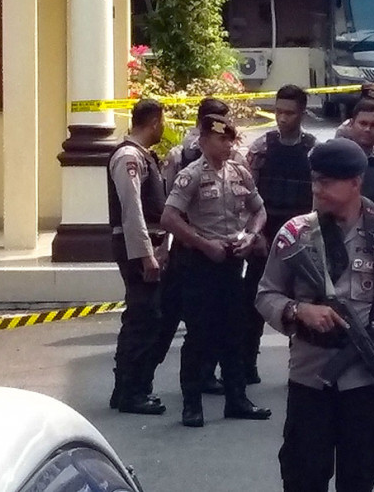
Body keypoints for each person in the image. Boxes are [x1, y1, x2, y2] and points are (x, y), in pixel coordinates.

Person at [256, 137, 374, 492]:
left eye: (327, 182)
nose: (316, 189)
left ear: (355, 182)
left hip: (365, 380)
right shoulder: (296, 234)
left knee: (360, 476)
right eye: (314, 180)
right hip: (309, 375)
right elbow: (265, 294)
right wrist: (298, 310)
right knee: (303, 476)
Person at [160, 114, 272, 427]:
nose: (227, 145)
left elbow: (259, 209)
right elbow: (170, 217)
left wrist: (251, 236)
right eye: (221, 139)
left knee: (235, 331)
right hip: (201, 265)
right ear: (204, 140)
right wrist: (203, 243)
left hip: (233, 263)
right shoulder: (191, 175)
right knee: (200, 335)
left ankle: (237, 399)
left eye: (230, 140)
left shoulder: (239, 172)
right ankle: (192, 405)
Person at [154, 97, 238, 396]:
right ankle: (144, 381)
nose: (226, 138)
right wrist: (165, 247)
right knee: (179, 318)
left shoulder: (233, 161)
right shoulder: (182, 157)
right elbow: (170, 209)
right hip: (188, 250)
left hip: (220, 251)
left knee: (220, 322)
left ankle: (209, 375)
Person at [245, 84, 317, 384]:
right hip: (266, 234)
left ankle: (299, 368)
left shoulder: (313, 150)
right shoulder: (262, 148)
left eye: (289, 113)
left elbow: (318, 197)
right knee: (253, 303)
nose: (282, 118)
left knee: (302, 302)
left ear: (302, 113)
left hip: (300, 237)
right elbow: (246, 195)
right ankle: (246, 365)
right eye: (278, 112)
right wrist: (255, 235)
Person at [107, 99, 169, 416]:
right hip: (138, 252)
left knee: (145, 318)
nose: (163, 128)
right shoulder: (129, 158)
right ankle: (131, 392)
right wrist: (146, 256)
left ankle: (128, 389)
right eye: (162, 122)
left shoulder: (142, 156)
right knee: (143, 319)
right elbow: (132, 212)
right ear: (155, 122)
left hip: (147, 249)